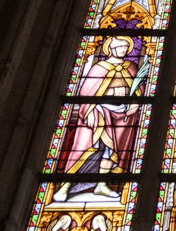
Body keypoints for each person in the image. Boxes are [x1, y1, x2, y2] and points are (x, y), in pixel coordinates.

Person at [53, 36, 144, 201]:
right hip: (99, 111)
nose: (124, 50)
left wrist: (136, 103)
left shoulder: (131, 67)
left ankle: (101, 185)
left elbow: (138, 88)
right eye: (120, 47)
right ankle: (66, 185)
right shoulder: (98, 68)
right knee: (87, 147)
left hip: (122, 114)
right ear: (111, 49)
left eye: (126, 47)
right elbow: (87, 92)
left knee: (111, 151)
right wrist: (89, 111)